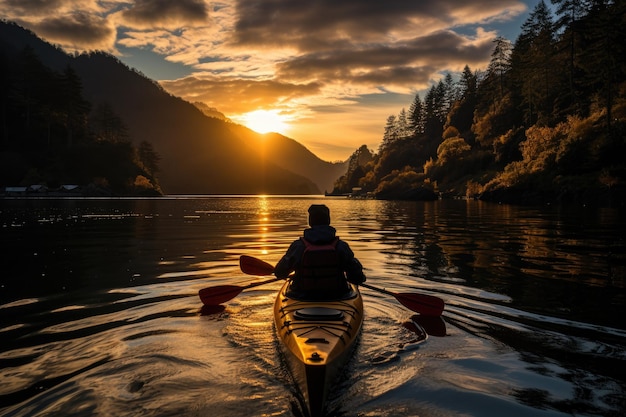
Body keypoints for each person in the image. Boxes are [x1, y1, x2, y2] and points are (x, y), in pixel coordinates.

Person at [275, 204, 366, 300]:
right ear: (328, 221)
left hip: (301, 296)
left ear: (310, 221)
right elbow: (357, 278)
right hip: (338, 296)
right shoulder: (341, 246)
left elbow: (279, 273)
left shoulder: (298, 246)